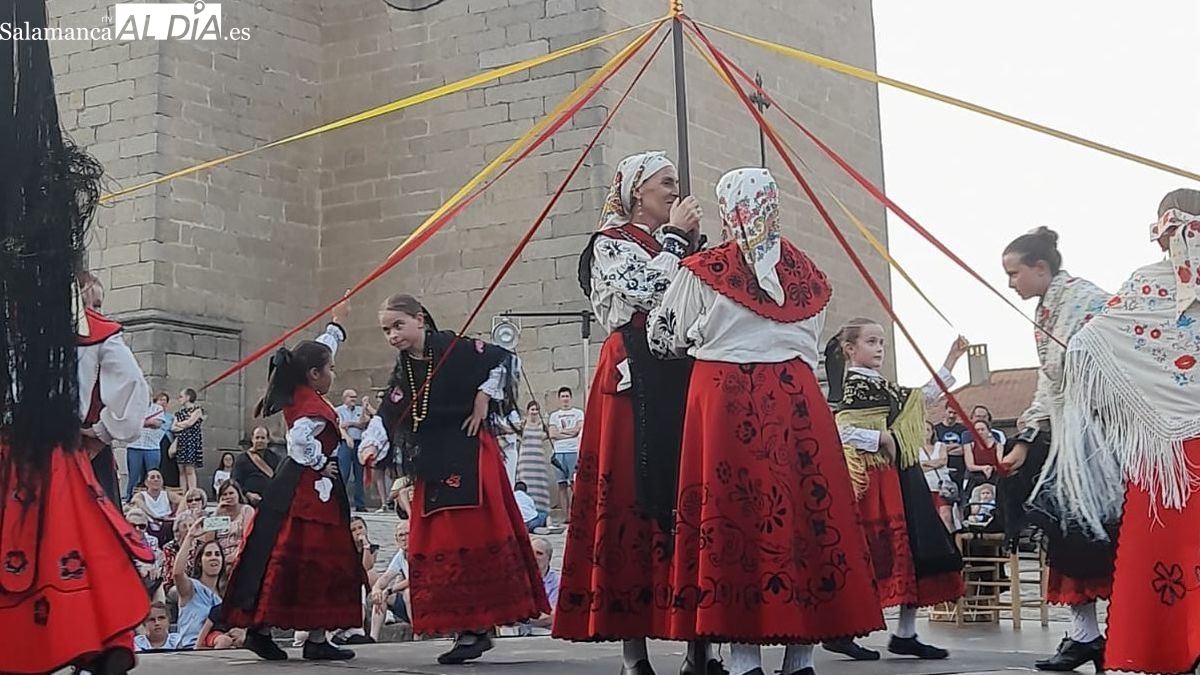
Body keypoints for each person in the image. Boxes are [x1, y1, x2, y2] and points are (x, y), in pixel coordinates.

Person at [649, 167, 885, 675]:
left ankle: (743, 660)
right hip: (797, 401)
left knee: (735, 517)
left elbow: (662, 338)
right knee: (802, 517)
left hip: (727, 401)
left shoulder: (703, 269)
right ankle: (800, 659)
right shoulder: (809, 275)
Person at [0, 15, 155, 670]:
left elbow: (129, 391)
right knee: (74, 547)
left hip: (44, 450)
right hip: (52, 450)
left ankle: (96, 642)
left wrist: (102, 434)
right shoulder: (73, 327)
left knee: (63, 546)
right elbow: (129, 389)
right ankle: (100, 642)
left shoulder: (73, 328)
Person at [1049, 189, 1200, 675]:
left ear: (1163, 231)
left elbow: (1086, 347)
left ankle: (1170, 646)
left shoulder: (1147, 285)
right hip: (1171, 454)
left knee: (1170, 556)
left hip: (1166, 457)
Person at [358, 293, 548, 664]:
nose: (392, 335)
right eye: (386, 330)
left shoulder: (455, 348)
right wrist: (371, 444)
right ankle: (467, 628)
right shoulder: (404, 372)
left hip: (470, 453)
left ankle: (477, 627)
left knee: (474, 537)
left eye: (398, 326)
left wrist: (483, 397)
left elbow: (504, 359)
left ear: (419, 319)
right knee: (440, 542)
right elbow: (389, 412)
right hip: (433, 463)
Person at [998, 227, 1117, 671]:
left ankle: (1121, 633)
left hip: (1105, 439)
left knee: (1106, 537)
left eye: (1014, 273)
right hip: (1071, 443)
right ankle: (1086, 635)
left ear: (1041, 268)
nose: (1010, 283)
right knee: (1068, 534)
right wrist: (1025, 439)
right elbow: (1050, 384)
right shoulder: (1047, 311)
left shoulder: (1088, 300)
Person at [221, 304, 365, 662]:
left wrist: (337, 326)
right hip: (307, 489)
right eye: (330, 369)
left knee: (298, 555)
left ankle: (304, 634)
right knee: (306, 556)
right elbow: (299, 441)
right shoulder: (310, 407)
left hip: (298, 485)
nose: (333, 373)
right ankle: (283, 632)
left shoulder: (302, 389)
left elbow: (320, 350)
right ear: (314, 374)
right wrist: (320, 463)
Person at [825, 320, 968, 660]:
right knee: (872, 552)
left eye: (881, 342)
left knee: (914, 549)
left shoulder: (883, 388)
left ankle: (905, 633)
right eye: (871, 342)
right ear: (850, 349)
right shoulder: (851, 389)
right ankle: (842, 629)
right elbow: (840, 430)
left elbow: (922, 398)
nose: (879, 348)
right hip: (873, 480)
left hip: (899, 475)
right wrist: (881, 438)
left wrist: (951, 359)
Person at [174, 521, 227, 649]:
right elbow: (177, 573)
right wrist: (190, 537)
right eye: (208, 554)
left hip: (217, 647)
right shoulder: (191, 588)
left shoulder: (225, 594)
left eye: (217, 554)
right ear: (199, 562)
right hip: (190, 649)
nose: (214, 557)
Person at [547, 387, 584, 516]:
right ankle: (565, 515)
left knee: (574, 483)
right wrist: (570, 433)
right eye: (563, 396)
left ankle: (575, 513)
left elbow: (578, 430)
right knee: (561, 484)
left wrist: (561, 432)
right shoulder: (554, 416)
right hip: (559, 452)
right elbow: (552, 434)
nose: (565, 399)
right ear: (559, 399)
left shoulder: (578, 413)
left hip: (573, 451)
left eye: (567, 396)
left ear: (571, 397)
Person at [125, 398, 170, 502]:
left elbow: (157, 424)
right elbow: (130, 423)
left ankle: (155, 499)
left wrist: (140, 422)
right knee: (134, 476)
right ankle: (130, 499)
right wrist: (148, 422)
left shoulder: (157, 408)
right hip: (134, 446)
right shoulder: (132, 408)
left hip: (152, 447)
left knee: (154, 475)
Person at [515, 401, 553, 515]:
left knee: (540, 486)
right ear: (528, 411)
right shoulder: (522, 424)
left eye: (536, 410)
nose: (534, 412)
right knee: (526, 484)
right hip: (525, 460)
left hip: (538, 460)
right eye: (532, 409)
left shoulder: (542, 425)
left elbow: (550, 435)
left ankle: (542, 512)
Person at [334, 389, 368, 512]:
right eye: (351, 397)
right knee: (344, 473)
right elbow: (340, 426)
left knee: (359, 474)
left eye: (355, 396)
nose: (353, 399)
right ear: (345, 398)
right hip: (345, 443)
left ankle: (360, 504)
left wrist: (350, 423)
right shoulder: (338, 411)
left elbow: (363, 424)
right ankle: (340, 502)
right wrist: (353, 426)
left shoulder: (360, 410)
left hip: (359, 442)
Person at [920, 421, 956, 532]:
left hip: (942, 487)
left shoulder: (940, 445)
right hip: (926, 486)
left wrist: (925, 464)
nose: (925, 432)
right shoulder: (916, 449)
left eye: (928, 430)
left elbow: (943, 461)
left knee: (946, 516)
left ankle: (949, 539)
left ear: (932, 432)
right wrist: (935, 464)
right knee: (928, 517)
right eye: (923, 429)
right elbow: (918, 468)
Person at [232, 427, 280, 509]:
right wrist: (248, 494)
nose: (260, 440)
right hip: (249, 504)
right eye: (257, 438)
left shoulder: (275, 458)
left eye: (263, 438)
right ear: (252, 439)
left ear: (268, 440)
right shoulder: (242, 459)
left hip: (270, 503)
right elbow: (235, 482)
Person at [171, 389, 205, 494]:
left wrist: (179, 424)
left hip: (191, 442)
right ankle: (182, 493)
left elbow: (190, 423)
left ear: (188, 397)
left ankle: (192, 492)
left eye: (181, 396)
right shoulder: (179, 413)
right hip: (181, 442)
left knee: (190, 469)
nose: (179, 399)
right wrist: (183, 425)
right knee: (181, 470)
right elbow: (173, 428)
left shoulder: (197, 410)